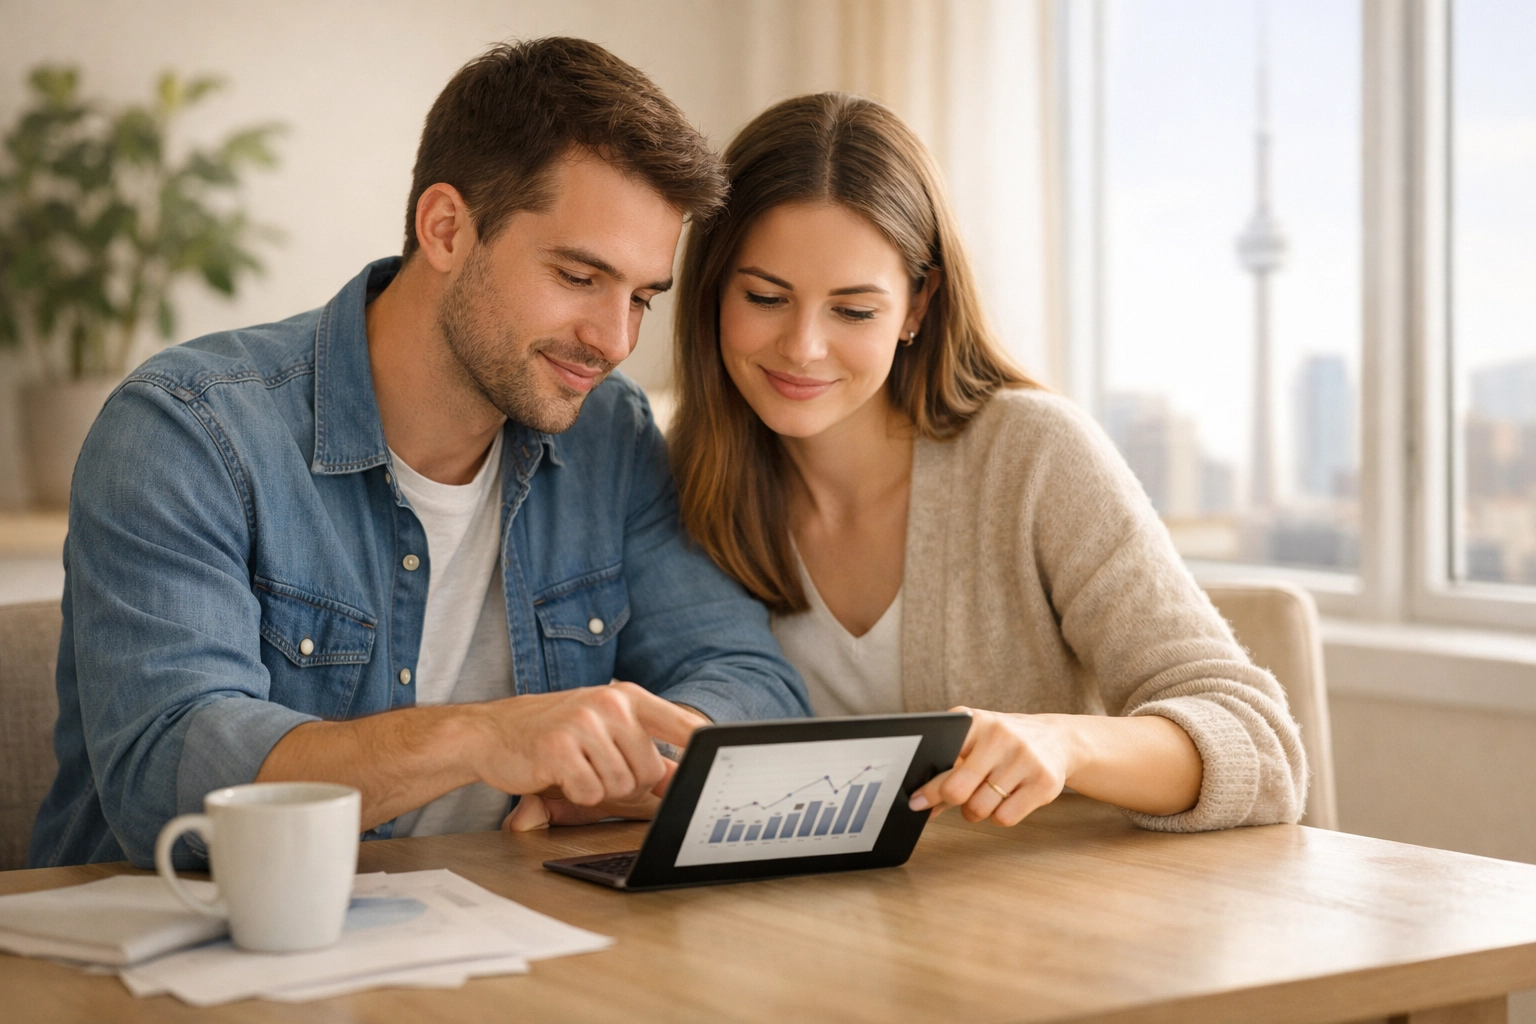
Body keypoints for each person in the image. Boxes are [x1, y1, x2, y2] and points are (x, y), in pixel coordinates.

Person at [29, 39, 810, 870]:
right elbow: (169, 774)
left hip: (505, 937)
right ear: (445, 229)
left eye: (642, 298)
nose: (614, 341)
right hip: (174, 958)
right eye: (580, 277)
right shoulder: (188, 432)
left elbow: (747, 682)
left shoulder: (607, 432)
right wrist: (482, 738)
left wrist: (635, 768)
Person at [668, 92, 1306, 833]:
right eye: (767, 296)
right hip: (799, 931)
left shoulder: (1033, 456)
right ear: (712, 288)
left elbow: (1263, 751)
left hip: (1030, 931)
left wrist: (1066, 742)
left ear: (917, 305)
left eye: (853, 310)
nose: (803, 347)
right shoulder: (683, 478)